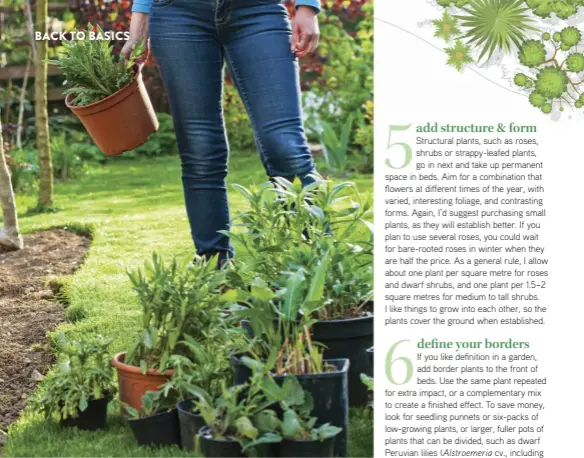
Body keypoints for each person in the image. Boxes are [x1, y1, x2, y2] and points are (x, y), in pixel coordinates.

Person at [122, 0, 321, 263]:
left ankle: (317, 263)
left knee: (285, 143)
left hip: (258, 10)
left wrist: (307, 7)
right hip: (177, 14)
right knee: (200, 147)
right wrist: (138, 24)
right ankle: (215, 268)